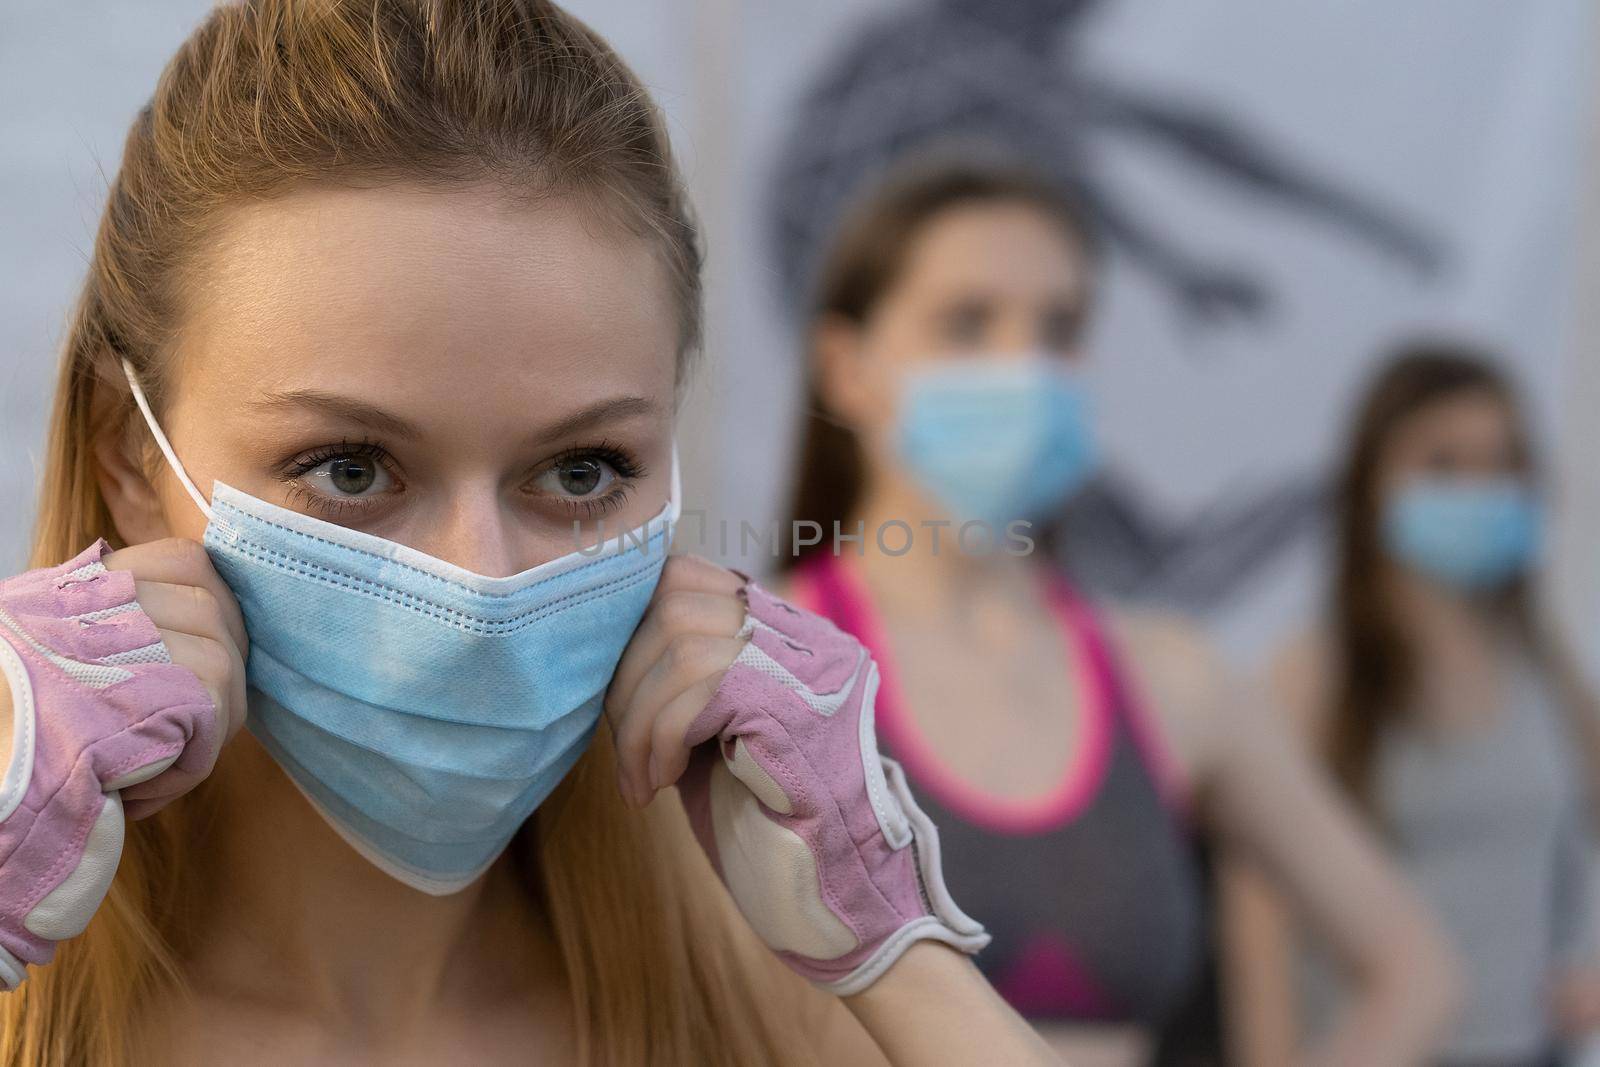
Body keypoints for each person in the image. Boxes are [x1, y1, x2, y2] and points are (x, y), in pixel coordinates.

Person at [0, 3, 1063, 1064]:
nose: (481, 585)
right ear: (130, 460)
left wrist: (898, 954)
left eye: (578, 470)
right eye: (351, 468)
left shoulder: (757, 1013)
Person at [776, 159, 1461, 1066]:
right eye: (967, 323)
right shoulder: (766, 670)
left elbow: (1416, 970)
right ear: (846, 367)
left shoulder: (1170, 673)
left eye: (1059, 327)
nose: (1022, 364)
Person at [1223, 346, 1600, 1067]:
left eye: (1502, 463)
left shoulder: (1543, 662)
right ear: (1372, 483)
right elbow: (1257, 910)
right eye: (1443, 465)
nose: (1478, 489)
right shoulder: (1313, 674)